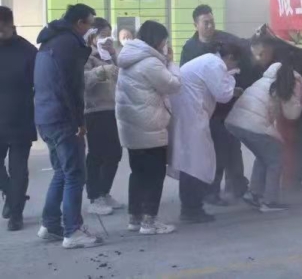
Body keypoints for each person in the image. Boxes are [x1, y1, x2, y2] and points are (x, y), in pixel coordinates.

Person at [34, 3, 103, 249]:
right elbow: (71, 86)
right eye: (90, 24)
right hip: (63, 118)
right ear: (79, 23)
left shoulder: (50, 40)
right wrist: (79, 122)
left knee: (62, 172)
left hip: (45, 115)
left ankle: (50, 224)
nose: (90, 29)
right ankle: (72, 230)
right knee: (74, 174)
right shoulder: (68, 44)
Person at [180, 5, 257, 205]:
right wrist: (229, 84)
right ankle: (210, 191)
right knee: (217, 152)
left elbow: (244, 48)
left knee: (233, 147)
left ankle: (237, 186)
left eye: (212, 21)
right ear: (195, 25)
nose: (210, 26)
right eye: (205, 23)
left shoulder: (225, 39)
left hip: (228, 107)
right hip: (206, 109)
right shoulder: (190, 48)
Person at [225, 35, 302, 212]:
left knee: (264, 155)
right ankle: (269, 201)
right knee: (275, 158)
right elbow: (291, 114)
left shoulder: (269, 76)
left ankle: (254, 194)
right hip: (253, 123)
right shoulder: (294, 79)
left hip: (235, 121)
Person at [116, 20, 182, 235]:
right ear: (157, 40)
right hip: (150, 127)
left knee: (138, 173)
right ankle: (149, 222)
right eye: (164, 40)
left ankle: (135, 218)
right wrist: (171, 63)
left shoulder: (128, 57)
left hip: (131, 128)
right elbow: (173, 85)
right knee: (154, 175)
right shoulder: (150, 62)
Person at [169, 43, 242, 223]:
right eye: (235, 64)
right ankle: (191, 209)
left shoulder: (208, 61)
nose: (234, 67)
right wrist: (231, 77)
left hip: (188, 113)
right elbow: (223, 95)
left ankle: (192, 206)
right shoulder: (216, 64)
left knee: (192, 161)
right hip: (191, 116)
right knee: (196, 163)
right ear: (230, 57)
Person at [0, 7, 37, 231]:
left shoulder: (27, 51)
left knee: (19, 170)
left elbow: (39, 84)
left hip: (20, 118)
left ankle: (16, 214)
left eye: (1, 29)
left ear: (11, 25)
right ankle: (11, 194)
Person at [84, 18, 123, 216]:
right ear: (93, 36)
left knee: (115, 153)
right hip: (94, 110)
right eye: (102, 36)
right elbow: (83, 82)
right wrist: (101, 71)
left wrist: (114, 56)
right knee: (97, 154)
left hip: (112, 108)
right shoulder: (86, 55)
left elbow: (121, 75)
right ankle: (94, 196)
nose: (107, 40)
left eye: (109, 36)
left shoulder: (109, 55)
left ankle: (104, 191)